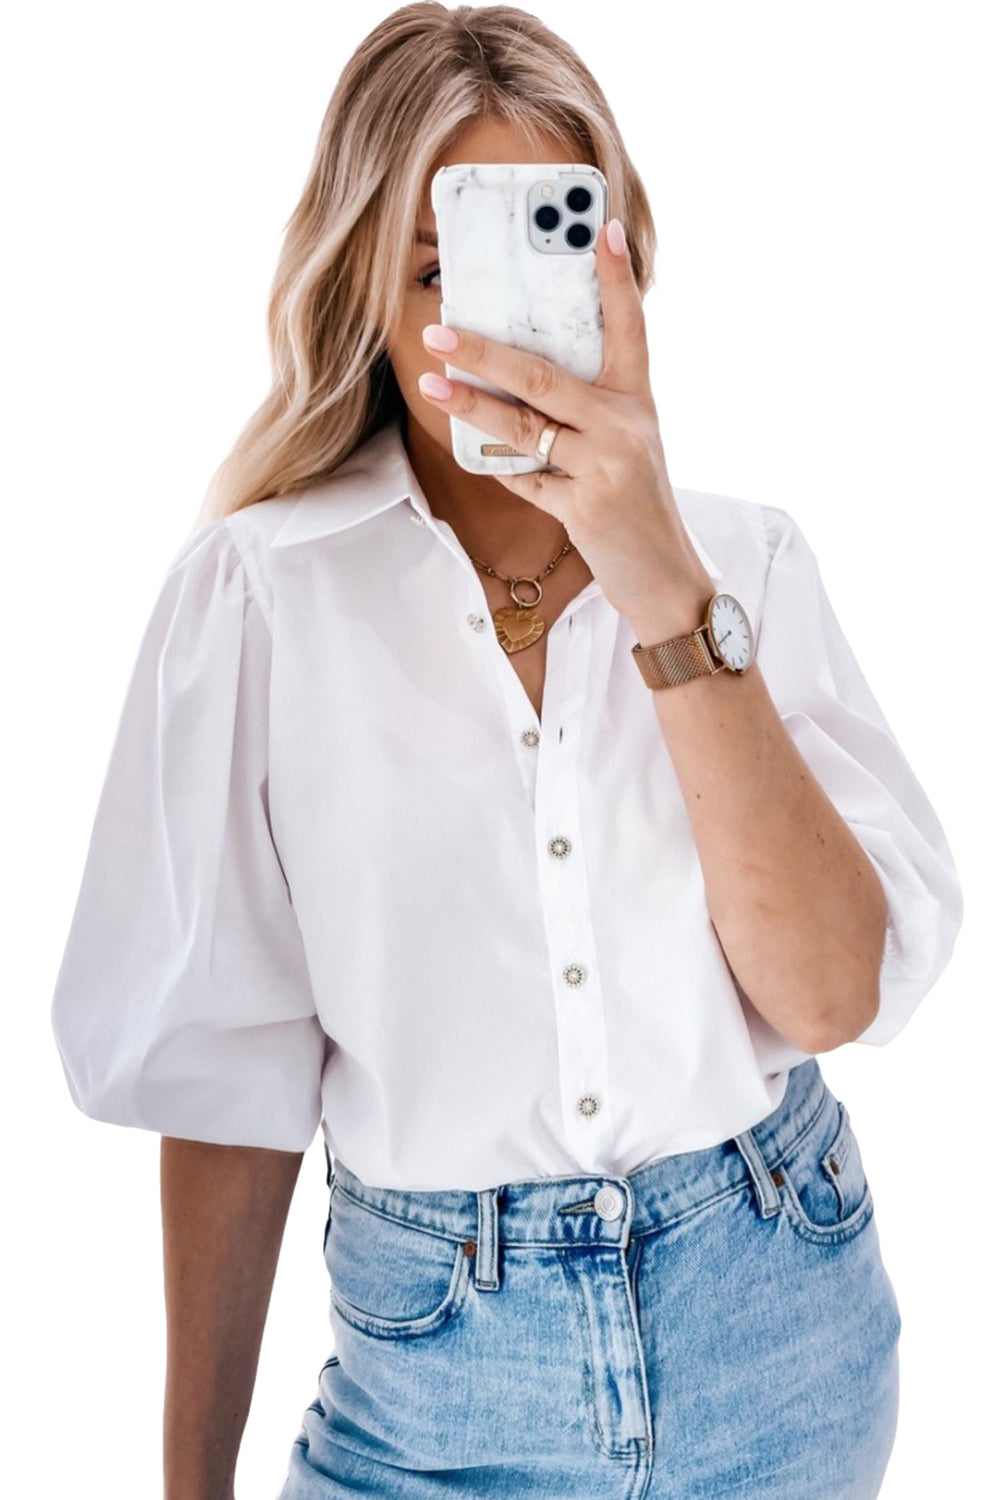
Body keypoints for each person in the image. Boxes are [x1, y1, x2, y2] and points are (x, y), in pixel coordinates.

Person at [50, 5, 964, 1498]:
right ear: (363, 291)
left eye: (548, 259)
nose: (492, 330)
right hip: (433, 1380)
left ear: (624, 269)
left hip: (777, 1327)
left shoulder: (746, 569)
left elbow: (829, 994)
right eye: (436, 273)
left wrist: (659, 586)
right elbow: (227, 1087)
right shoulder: (257, 602)